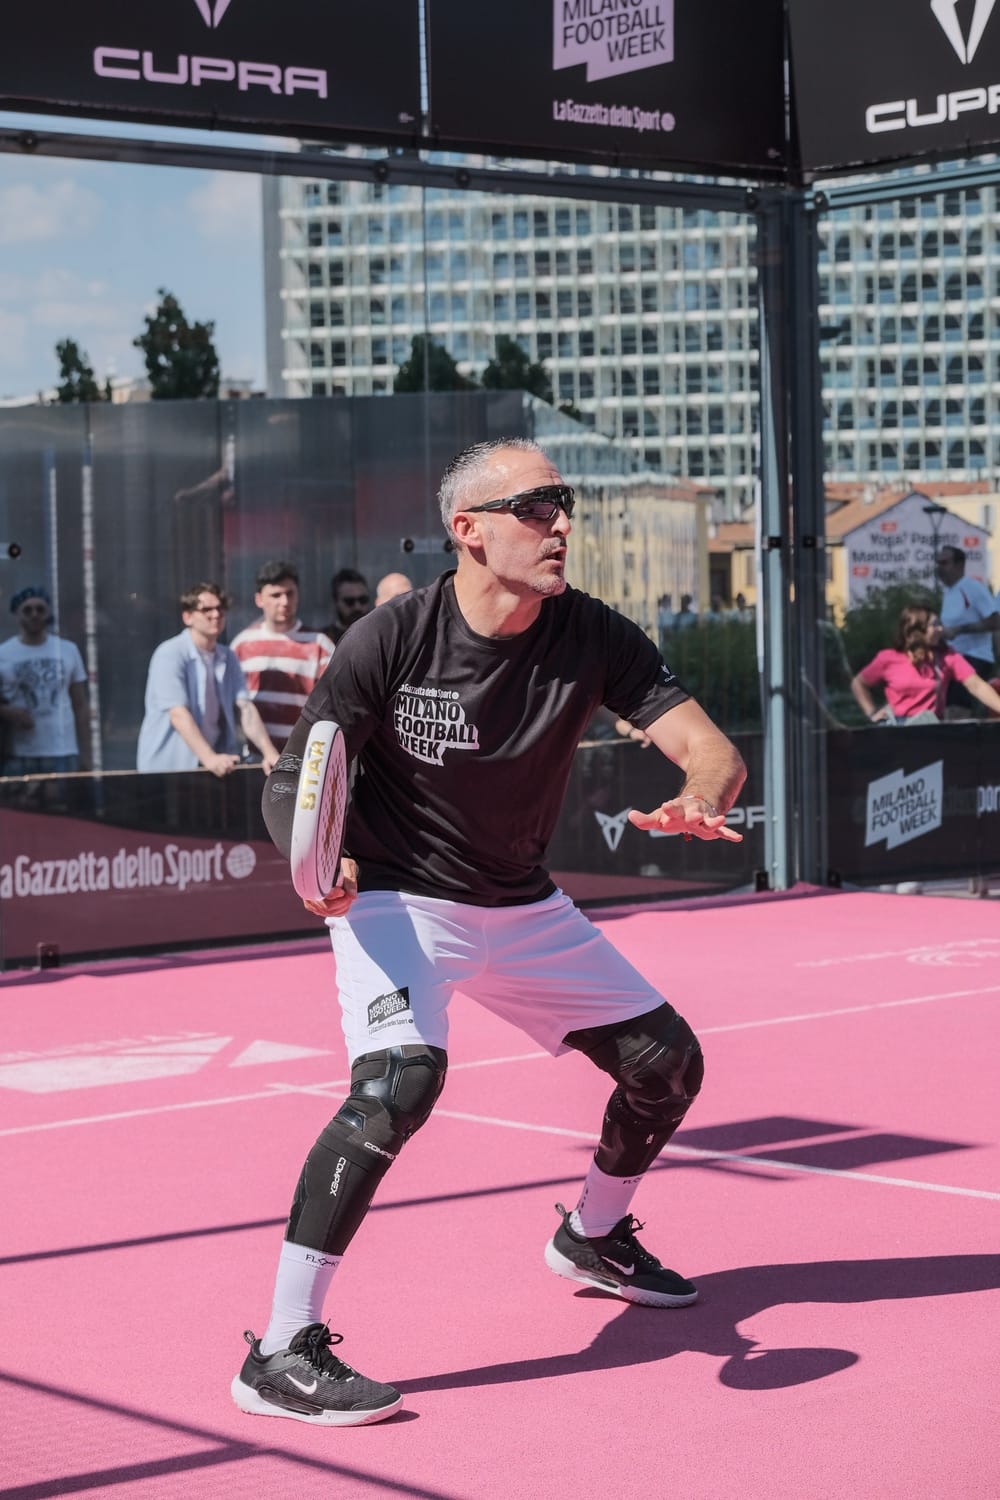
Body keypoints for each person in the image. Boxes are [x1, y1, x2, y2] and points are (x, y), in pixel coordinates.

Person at [231, 437, 747, 1428]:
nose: (561, 525)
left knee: (668, 1066)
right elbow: (298, 773)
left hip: (519, 900)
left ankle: (591, 1236)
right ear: (468, 530)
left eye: (564, 505)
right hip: (394, 894)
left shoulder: (592, 634)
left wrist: (700, 793)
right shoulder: (393, 637)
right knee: (399, 1085)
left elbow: (709, 749)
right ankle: (280, 1350)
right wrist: (317, 857)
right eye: (537, 507)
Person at [136, 582, 278, 775]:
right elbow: (178, 714)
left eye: (220, 608)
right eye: (206, 610)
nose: (216, 614)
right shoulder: (170, 653)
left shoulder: (228, 656)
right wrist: (209, 758)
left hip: (212, 767)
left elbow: (246, 708)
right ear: (187, 617)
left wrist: (270, 753)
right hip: (168, 769)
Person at [231, 561, 334, 752]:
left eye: (290, 593)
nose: (285, 602)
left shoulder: (320, 645)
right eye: (276, 595)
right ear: (259, 599)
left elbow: (330, 706)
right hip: (254, 758)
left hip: (302, 754)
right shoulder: (241, 645)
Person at [850, 604, 1000, 723]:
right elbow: (859, 683)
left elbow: (976, 685)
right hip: (898, 730)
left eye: (940, 624)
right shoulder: (888, 658)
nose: (940, 629)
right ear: (917, 630)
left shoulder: (947, 656)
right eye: (934, 625)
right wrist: (872, 713)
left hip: (931, 728)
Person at [0, 585, 90, 774]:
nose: (34, 615)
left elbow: (80, 705)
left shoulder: (68, 650)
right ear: (17, 614)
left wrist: (86, 755)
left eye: (40, 609)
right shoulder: (4, 654)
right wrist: (9, 713)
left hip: (63, 749)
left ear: (48, 613)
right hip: (19, 752)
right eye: (28, 610)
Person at [935, 545, 1000, 698]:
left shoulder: (972, 588)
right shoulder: (949, 591)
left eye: (945, 563)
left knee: (959, 708)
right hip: (953, 659)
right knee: (948, 706)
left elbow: (995, 621)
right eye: (938, 563)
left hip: (974, 658)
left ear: (959, 565)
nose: (939, 568)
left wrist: (958, 630)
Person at [321, 568, 371, 644]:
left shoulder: (379, 634)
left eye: (362, 600)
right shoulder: (325, 640)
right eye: (349, 601)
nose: (357, 607)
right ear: (336, 601)